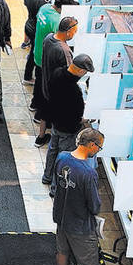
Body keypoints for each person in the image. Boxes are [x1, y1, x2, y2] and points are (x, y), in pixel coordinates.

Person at [52, 127, 111, 265]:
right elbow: (94, 205)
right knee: (87, 264)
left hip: (61, 218)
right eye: (99, 148)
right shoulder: (88, 172)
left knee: (62, 252)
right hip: (80, 226)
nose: (98, 151)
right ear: (92, 145)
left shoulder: (62, 157)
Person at [31, 0, 77, 145]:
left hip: (39, 53)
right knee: (48, 101)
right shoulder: (57, 22)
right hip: (50, 69)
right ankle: (41, 119)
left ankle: (36, 109)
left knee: (39, 83)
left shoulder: (44, 8)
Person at [43, 53, 93, 185]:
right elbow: (76, 116)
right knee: (63, 157)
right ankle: (55, 187)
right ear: (81, 70)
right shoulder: (74, 91)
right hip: (68, 130)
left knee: (53, 150)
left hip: (55, 122)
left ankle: (47, 176)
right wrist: (84, 121)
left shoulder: (57, 73)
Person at [39, 15, 78, 154]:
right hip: (57, 91)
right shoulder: (65, 51)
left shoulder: (48, 38)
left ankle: (40, 137)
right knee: (57, 119)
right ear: (68, 31)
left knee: (44, 112)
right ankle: (56, 144)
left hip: (45, 84)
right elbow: (69, 75)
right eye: (75, 31)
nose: (75, 34)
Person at [22, 0, 52, 85]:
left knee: (33, 49)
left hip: (29, 24)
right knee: (35, 52)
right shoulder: (40, 2)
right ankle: (27, 77)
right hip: (36, 29)